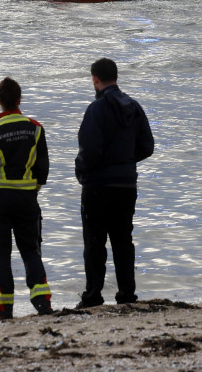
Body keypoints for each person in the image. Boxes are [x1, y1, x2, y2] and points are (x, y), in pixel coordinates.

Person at [74, 58, 154, 308]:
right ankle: (127, 294)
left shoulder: (95, 110)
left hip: (98, 185)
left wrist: (81, 172)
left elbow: (90, 150)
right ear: (116, 77)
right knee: (123, 241)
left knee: (95, 243)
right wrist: (126, 161)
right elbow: (147, 146)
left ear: (94, 79)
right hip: (126, 185)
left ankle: (93, 295)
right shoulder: (134, 107)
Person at [0, 77, 53, 319]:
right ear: (19, 99)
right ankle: (42, 304)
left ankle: (4, 308)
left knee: (1, 253)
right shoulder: (36, 129)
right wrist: (33, 187)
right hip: (27, 199)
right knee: (31, 250)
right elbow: (43, 169)